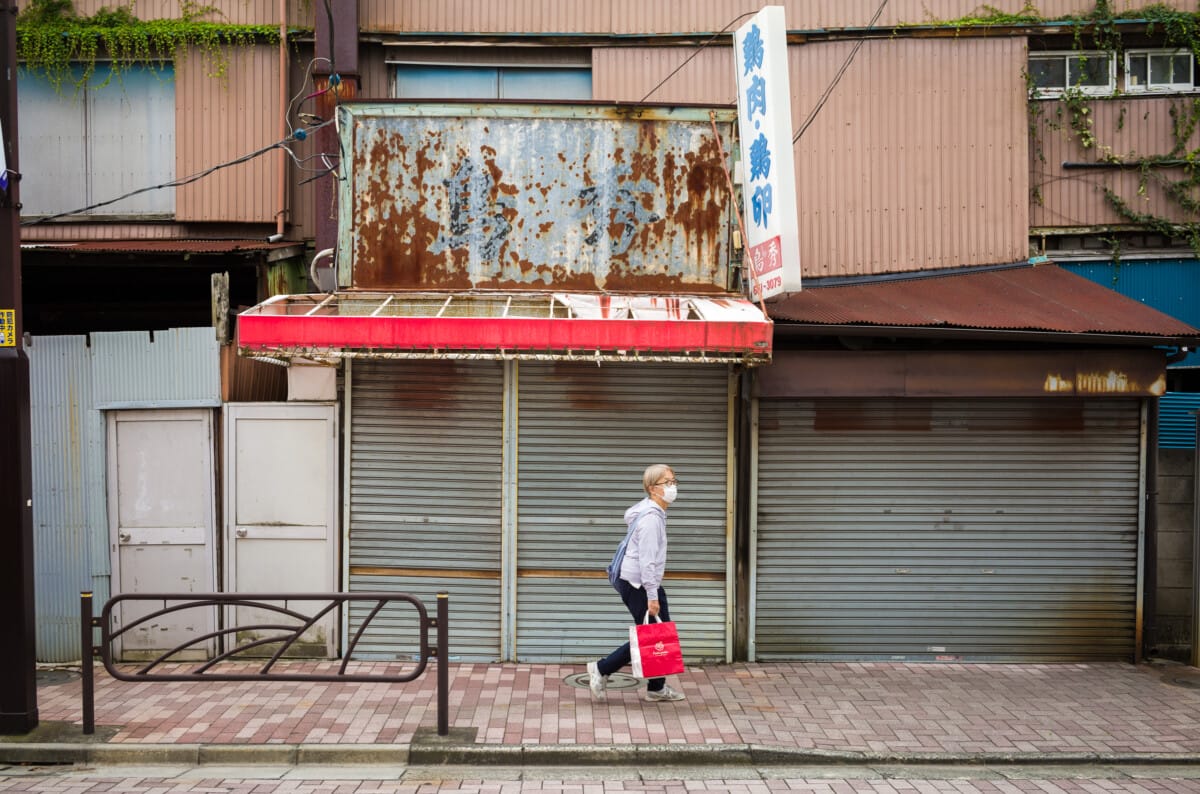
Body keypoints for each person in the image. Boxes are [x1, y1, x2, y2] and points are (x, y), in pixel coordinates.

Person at [587, 463, 685, 702]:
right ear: (653, 489)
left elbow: (632, 513)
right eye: (667, 483)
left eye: (674, 481)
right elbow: (647, 562)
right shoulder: (651, 519)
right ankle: (601, 669)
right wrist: (653, 595)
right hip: (640, 584)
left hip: (636, 582)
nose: (672, 487)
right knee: (653, 637)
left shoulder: (649, 510)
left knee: (656, 634)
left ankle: (656, 687)